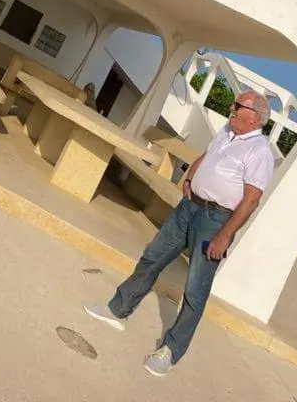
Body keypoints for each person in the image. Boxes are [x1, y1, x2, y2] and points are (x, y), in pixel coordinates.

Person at [84, 90, 274, 378]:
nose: (231, 108)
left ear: (254, 117)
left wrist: (224, 236)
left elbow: (250, 200)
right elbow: (207, 155)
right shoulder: (227, 131)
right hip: (188, 208)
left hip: (216, 221)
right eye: (233, 103)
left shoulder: (259, 152)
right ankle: (118, 310)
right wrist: (190, 176)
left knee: (195, 290)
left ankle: (171, 351)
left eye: (237, 105)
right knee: (152, 257)